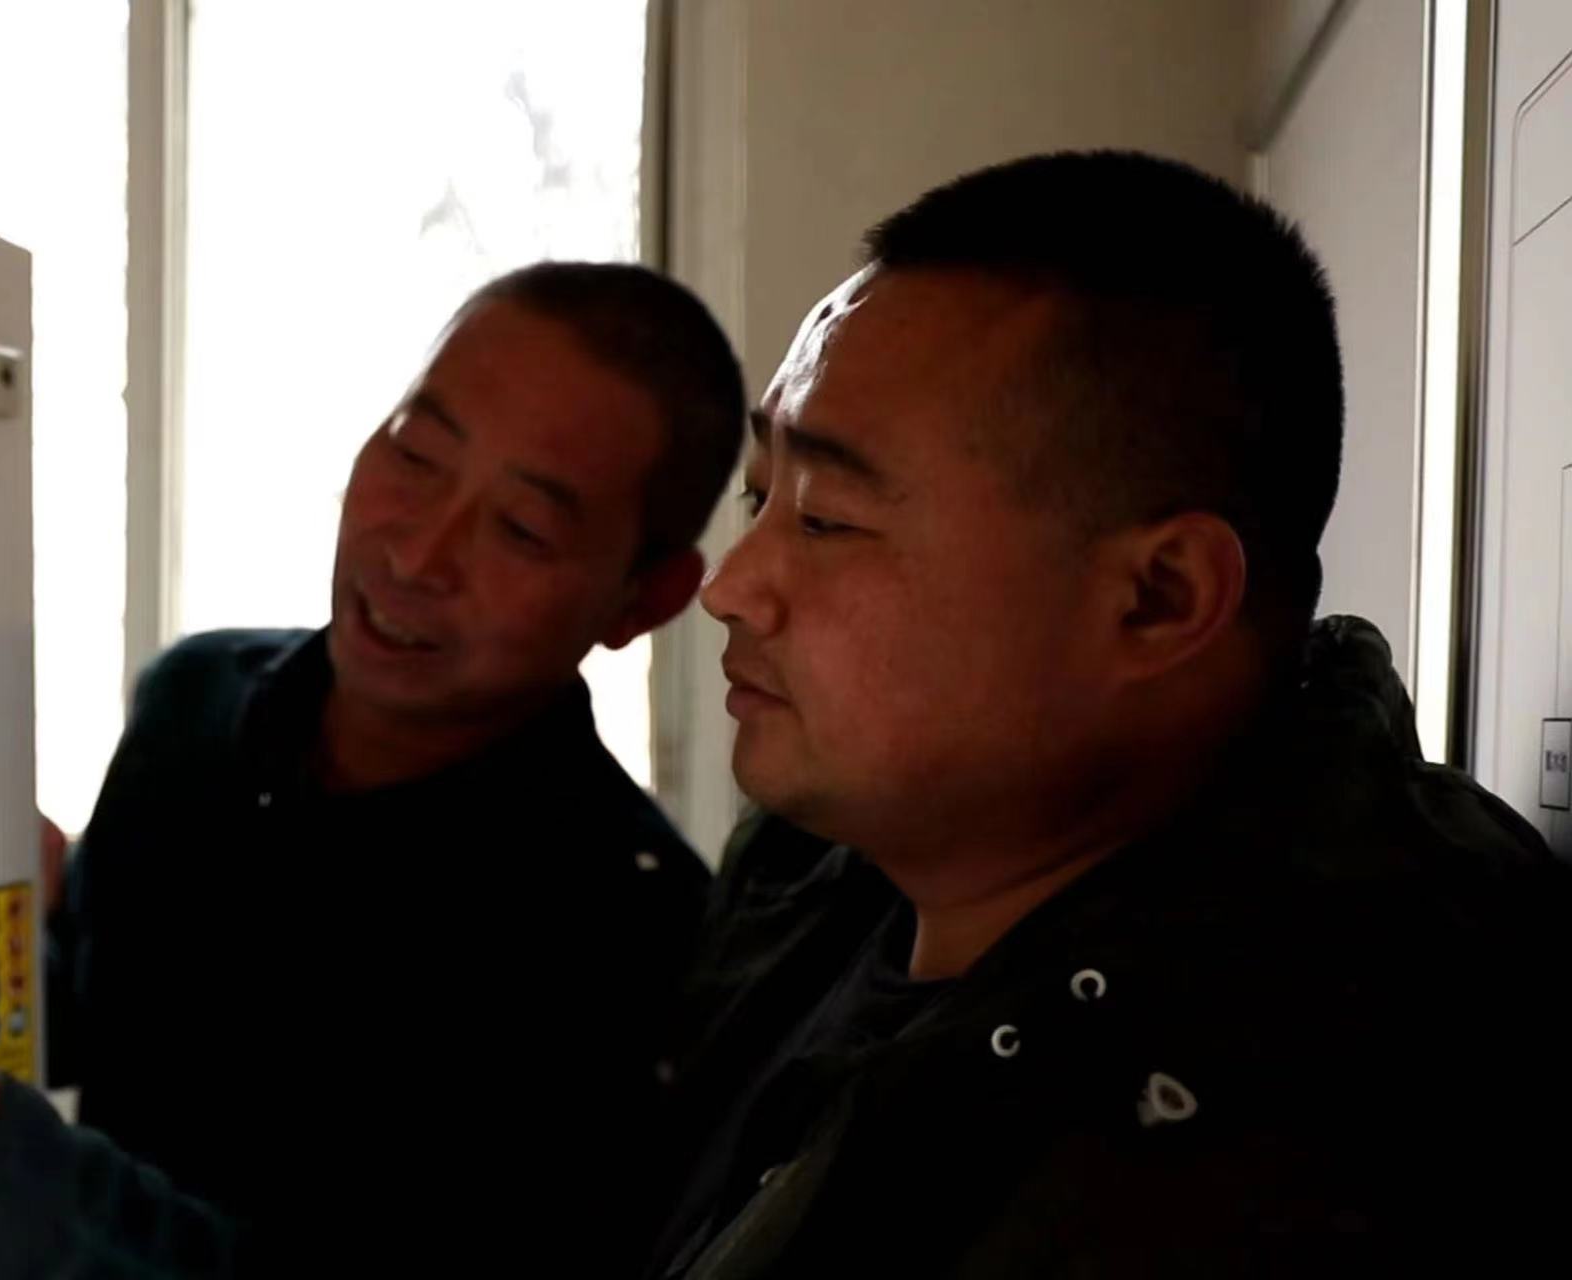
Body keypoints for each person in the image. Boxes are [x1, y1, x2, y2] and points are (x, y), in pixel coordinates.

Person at [0, 260, 751, 1277]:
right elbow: (101, 1014)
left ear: (645, 597)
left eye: (520, 528)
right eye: (416, 454)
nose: (416, 553)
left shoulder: (637, 945)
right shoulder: (194, 703)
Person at [643, 150, 1572, 1278]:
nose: (730, 586)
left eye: (826, 518)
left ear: (1158, 597)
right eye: (759, 496)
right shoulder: (823, 859)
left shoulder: (1298, 1136)